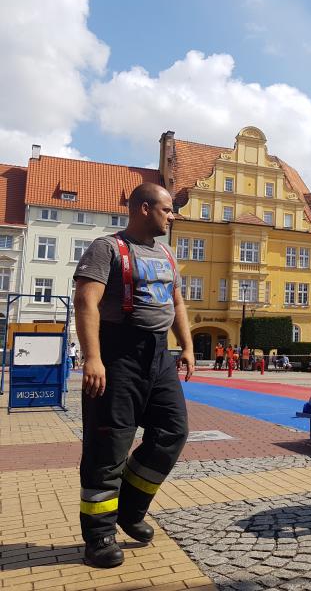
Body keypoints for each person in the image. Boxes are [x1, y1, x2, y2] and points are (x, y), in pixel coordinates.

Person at [73, 182, 193, 568]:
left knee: (172, 432)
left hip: (158, 355)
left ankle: (129, 509)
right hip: (117, 353)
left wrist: (187, 346)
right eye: (167, 209)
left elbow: (176, 302)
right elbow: (85, 302)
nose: (172, 215)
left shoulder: (168, 254)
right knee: (107, 447)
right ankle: (99, 536)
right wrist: (93, 358)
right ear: (143, 208)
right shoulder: (106, 248)